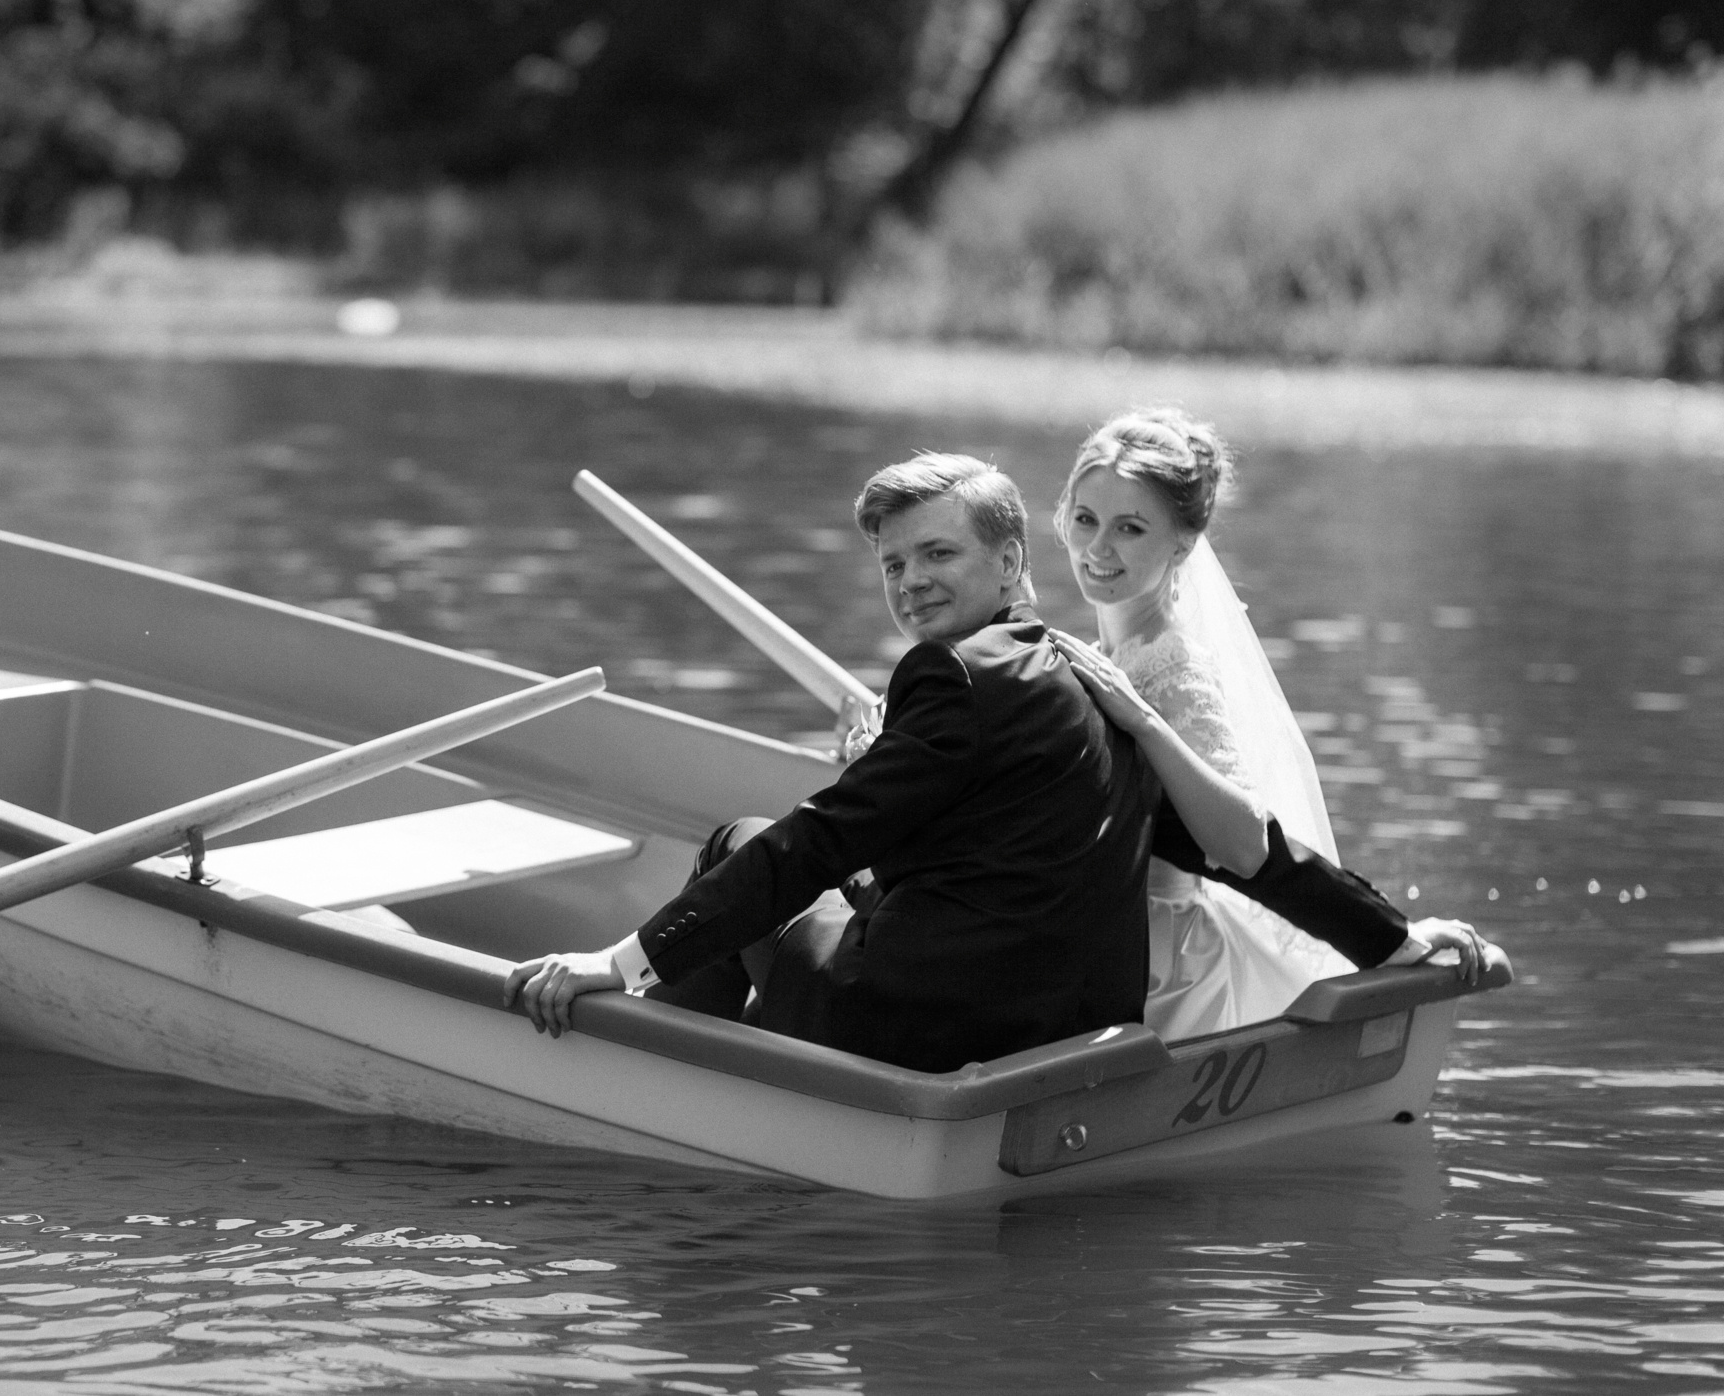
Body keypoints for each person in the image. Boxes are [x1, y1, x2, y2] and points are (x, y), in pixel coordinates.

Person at [502, 451, 1485, 1074]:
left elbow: (818, 841)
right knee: (803, 880)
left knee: (741, 841)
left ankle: (653, 1068)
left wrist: (615, 958)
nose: (910, 583)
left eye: (938, 555)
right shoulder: (1096, 682)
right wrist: (1395, 942)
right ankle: (712, 1036)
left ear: (1011, 563)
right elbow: (1244, 853)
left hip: (923, 1031)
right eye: (893, 564)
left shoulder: (951, 674)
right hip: (1071, 1033)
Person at [1047, 408, 1406, 1041]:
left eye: (1130, 528)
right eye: (1086, 519)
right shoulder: (1101, 657)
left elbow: (1243, 842)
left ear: (1182, 545)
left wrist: (1145, 722)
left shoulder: (1174, 666)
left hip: (1165, 967)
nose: (1098, 548)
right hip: (1103, 940)